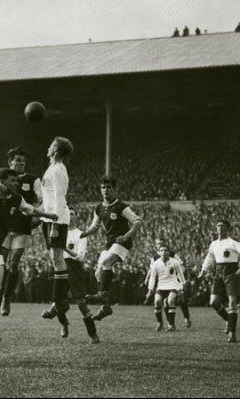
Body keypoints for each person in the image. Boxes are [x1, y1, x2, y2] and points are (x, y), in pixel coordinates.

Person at [0, 168, 57, 343]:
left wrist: (47, 215)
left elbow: (30, 210)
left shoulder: (16, 198)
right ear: (1, 181)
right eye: (13, 180)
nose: (16, 183)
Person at [81, 175, 142, 321]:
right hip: (109, 244)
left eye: (109, 187)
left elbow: (137, 221)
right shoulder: (99, 208)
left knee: (107, 263)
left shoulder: (121, 206)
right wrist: (82, 234)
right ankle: (106, 307)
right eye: (103, 187)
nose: (106, 190)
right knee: (98, 273)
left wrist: (126, 236)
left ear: (114, 189)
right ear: (100, 190)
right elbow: (95, 226)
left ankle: (102, 294)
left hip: (122, 242)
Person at [42, 208, 100, 343]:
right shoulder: (61, 232)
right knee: (59, 301)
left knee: (81, 303)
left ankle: (93, 334)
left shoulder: (80, 234)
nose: (70, 216)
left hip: (74, 268)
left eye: (73, 214)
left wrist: (65, 248)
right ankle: (63, 324)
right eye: (68, 214)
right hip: (61, 266)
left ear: (77, 217)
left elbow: (80, 258)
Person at [0, 147, 42, 317]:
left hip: (22, 228)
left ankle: (6, 298)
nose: (20, 164)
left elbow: (41, 200)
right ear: (10, 162)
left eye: (23, 162)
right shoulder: (3, 178)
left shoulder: (33, 180)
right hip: (3, 227)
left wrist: (38, 217)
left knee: (13, 264)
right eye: (17, 161)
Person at [40, 136, 75, 336]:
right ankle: (60, 305)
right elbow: (48, 198)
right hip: (48, 219)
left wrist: (54, 223)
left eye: (51, 145)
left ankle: (56, 304)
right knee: (55, 261)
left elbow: (60, 199)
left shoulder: (58, 170)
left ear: (56, 149)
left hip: (57, 220)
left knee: (57, 259)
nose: (48, 146)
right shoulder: (52, 168)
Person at [198, 219, 240, 343]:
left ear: (228, 229)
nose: (220, 228)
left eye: (222, 226)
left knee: (232, 302)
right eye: (218, 226)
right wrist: (203, 270)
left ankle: (232, 333)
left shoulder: (233, 243)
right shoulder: (214, 244)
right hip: (218, 273)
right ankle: (228, 320)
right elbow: (210, 257)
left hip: (231, 272)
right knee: (213, 302)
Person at [146, 245, 186, 331]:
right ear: (159, 252)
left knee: (170, 301)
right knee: (157, 302)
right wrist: (150, 290)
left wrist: (183, 284)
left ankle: (171, 325)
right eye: (162, 250)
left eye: (165, 250)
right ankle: (160, 323)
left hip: (173, 285)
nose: (163, 252)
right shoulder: (156, 264)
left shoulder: (175, 262)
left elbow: (180, 274)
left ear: (169, 252)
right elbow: (152, 278)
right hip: (162, 285)